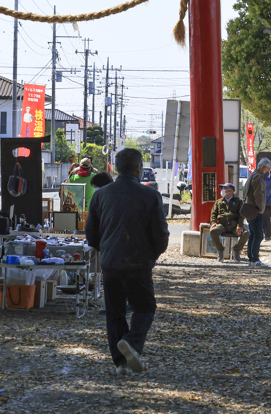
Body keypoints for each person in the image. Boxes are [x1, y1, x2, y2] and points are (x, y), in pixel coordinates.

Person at [85, 148, 169, 375]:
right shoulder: (150, 195)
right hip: (139, 263)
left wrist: (107, 250)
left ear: (117, 168)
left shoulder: (101, 195)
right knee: (145, 307)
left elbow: (91, 233)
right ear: (138, 168)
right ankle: (132, 343)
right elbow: (161, 234)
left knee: (115, 312)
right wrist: (152, 256)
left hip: (110, 262)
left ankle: (120, 363)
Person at [209, 183, 248, 263]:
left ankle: (236, 249)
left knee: (246, 233)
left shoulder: (238, 201)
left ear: (231, 191)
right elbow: (213, 213)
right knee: (213, 231)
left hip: (234, 226)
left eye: (224, 188)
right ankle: (220, 250)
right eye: (222, 188)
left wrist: (239, 225)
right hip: (222, 225)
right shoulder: (219, 202)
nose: (222, 190)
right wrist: (213, 222)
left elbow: (241, 214)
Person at [243, 158, 271, 267]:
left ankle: (251, 258)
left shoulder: (252, 176)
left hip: (249, 208)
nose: (268, 171)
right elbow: (259, 194)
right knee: (258, 235)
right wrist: (261, 208)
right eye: (268, 169)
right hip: (256, 209)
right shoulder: (259, 177)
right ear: (264, 167)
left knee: (253, 234)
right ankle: (255, 258)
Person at [263, 170, 271, 241]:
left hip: (259, 204)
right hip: (268, 203)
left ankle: (260, 234)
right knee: (267, 220)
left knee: (260, 219)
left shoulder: (259, 180)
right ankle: (267, 235)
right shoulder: (270, 180)